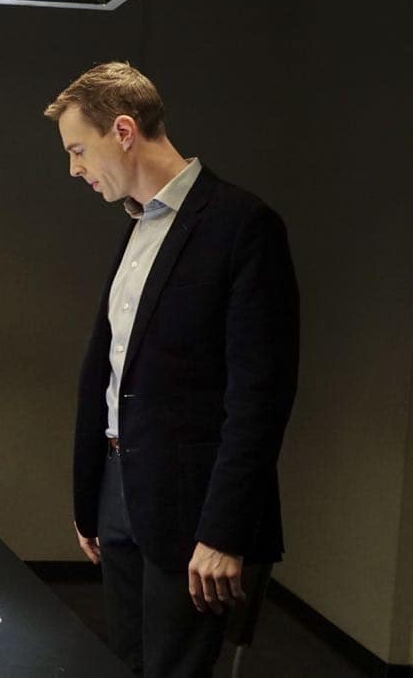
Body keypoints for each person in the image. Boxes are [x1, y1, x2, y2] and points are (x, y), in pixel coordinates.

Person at [43, 62, 299, 676]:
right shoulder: (137, 226)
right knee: (125, 663)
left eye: (78, 150)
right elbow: (112, 372)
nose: (73, 168)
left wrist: (225, 531)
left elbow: (259, 397)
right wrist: (91, 498)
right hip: (117, 491)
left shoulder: (242, 225)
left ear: (123, 131)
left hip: (192, 510)